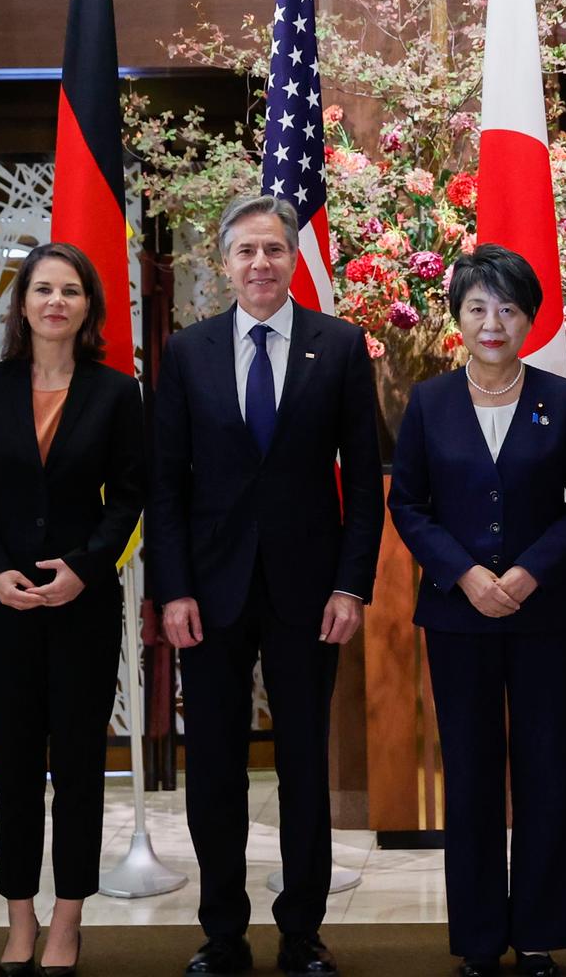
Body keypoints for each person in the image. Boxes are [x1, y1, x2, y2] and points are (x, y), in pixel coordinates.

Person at [149, 194, 384, 977]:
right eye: (245, 251)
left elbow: (364, 484)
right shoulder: (188, 351)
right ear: (223, 264)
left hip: (309, 593)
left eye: (274, 250)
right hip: (207, 597)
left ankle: (302, 931)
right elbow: (166, 485)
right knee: (213, 766)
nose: (260, 264)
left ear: (294, 258)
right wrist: (172, 588)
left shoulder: (340, 346)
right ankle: (222, 932)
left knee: (302, 768)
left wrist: (352, 588)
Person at [387, 245, 566, 977]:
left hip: (543, 614)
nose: (492, 321)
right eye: (477, 307)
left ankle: (539, 931)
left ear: (529, 319)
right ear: (458, 317)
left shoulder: (561, 400)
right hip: (458, 615)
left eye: (507, 308)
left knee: (545, 769)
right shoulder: (429, 402)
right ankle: (479, 936)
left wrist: (531, 572)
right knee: (473, 773)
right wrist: (465, 574)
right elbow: (407, 504)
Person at [0, 242, 144, 977]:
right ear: (22, 303)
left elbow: (130, 493)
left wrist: (88, 569)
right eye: (42, 290)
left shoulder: (115, 391)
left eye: (70, 291)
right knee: (17, 765)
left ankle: (68, 919)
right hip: (6, 605)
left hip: (82, 603)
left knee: (79, 766)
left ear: (87, 306)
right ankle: (19, 916)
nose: (56, 302)